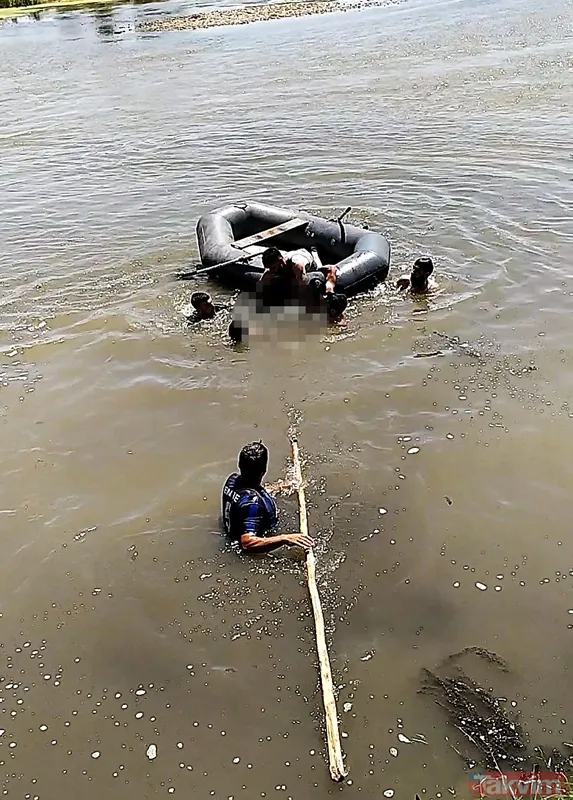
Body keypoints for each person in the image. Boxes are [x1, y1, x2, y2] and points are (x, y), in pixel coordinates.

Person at [221, 441, 314, 553]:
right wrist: (285, 538)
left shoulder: (232, 480)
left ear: (240, 464)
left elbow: (250, 491)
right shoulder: (253, 503)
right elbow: (247, 542)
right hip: (252, 548)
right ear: (264, 470)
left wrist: (282, 486)